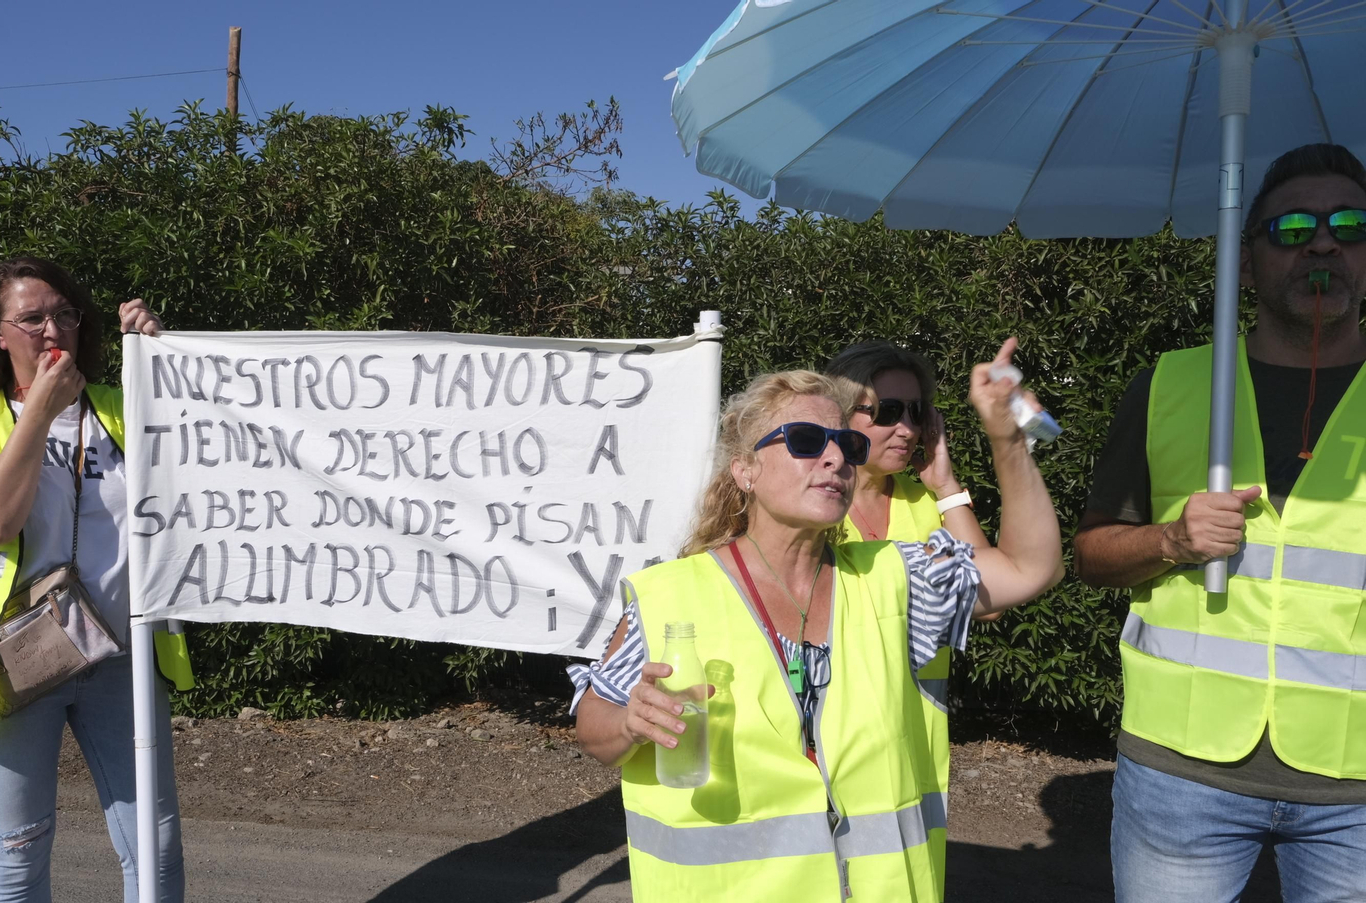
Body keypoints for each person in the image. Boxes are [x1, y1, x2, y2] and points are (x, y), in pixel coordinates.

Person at [569, 340, 1064, 901]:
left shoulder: (896, 576)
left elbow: (1031, 567)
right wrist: (631, 722)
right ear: (745, 470)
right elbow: (595, 727)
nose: (835, 458)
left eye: (847, 445)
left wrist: (1007, 438)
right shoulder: (671, 594)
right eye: (806, 442)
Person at [1073, 143, 1366, 902]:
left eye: (1351, 224)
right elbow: (1093, 555)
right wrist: (1169, 540)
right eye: (1293, 227)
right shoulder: (1167, 386)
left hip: (1356, 791)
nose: (1325, 243)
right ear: (1246, 259)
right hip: (1181, 774)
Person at [0, 256, 195, 903]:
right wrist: (40, 411)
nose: (53, 328)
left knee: (155, 855)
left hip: (120, 660)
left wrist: (165, 365)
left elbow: (209, 462)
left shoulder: (124, 406)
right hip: (15, 664)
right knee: (19, 864)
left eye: (65, 314)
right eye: (33, 317)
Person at [825, 339, 1064, 852]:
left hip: (911, 748)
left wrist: (945, 483)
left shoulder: (926, 503)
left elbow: (992, 599)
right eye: (888, 410)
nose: (907, 428)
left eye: (916, 412)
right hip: (826, 744)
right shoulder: (808, 507)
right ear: (839, 415)